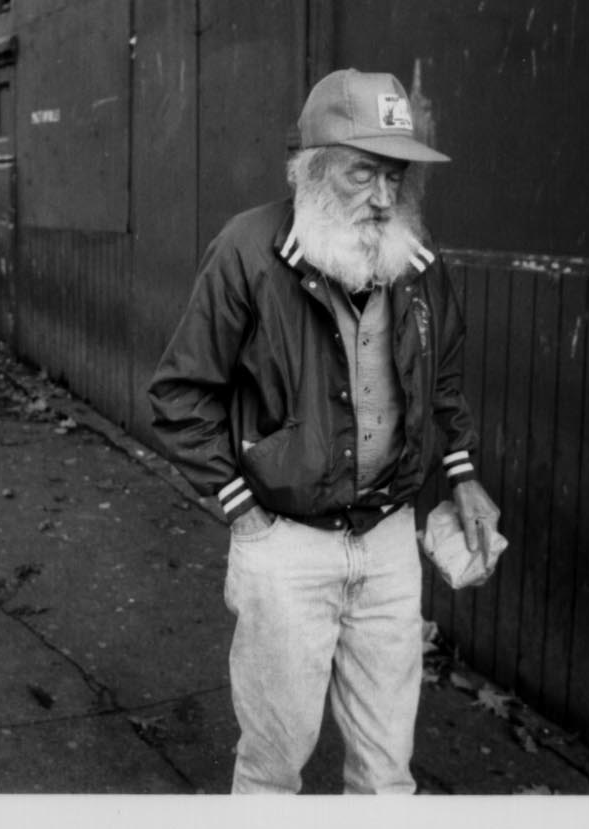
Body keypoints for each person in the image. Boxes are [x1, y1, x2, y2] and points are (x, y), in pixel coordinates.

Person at [148, 68, 504, 794]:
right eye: (363, 173)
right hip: (284, 543)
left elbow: (441, 382)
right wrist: (242, 514)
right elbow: (180, 395)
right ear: (310, 170)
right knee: (273, 768)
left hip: (386, 542)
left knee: (386, 774)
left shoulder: (414, 257)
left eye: (395, 175)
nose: (383, 197)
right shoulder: (247, 251)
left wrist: (463, 475)